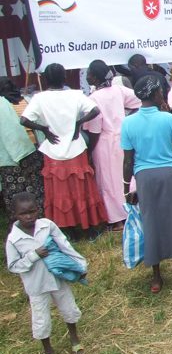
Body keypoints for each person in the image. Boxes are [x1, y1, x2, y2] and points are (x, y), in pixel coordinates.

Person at [122, 76, 172, 293]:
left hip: (144, 177)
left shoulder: (128, 122)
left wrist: (126, 187)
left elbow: (128, 160)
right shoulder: (167, 119)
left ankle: (156, 277)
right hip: (168, 174)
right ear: (157, 94)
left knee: (151, 222)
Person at [20, 63, 108, 233]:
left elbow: (23, 120)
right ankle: (88, 226)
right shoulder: (75, 95)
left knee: (60, 192)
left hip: (53, 150)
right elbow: (95, 110)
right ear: (64, 78)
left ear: (45, 79)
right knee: (82, 189)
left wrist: (44, 129)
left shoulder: (39, 98)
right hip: (76, 148)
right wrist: (79, 123)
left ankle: (67, 229)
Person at [5, 192, 87, 354]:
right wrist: (33, 256)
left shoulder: (47, 225)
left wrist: (80, 265)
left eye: (32, 211)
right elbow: (13, 266)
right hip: (36, 285)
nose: (28, 216)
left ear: (38, 209)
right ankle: (48, 350)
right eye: (23, 213)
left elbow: (65, 245)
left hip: (58, 278)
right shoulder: (14, 239)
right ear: (14, 214)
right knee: (41, 318)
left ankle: (74, 337)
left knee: (69, 308)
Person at [83, 60, 141, 231]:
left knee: (108, 181)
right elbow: (140, 99)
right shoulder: (118, 90)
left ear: (94, 77)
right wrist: (129, 120)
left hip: (104, 142)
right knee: (126, 176)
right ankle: (133, 210)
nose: (86, 76)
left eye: (88, 73)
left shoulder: (93, 98)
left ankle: (116, 220)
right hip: (123, 138)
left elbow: (94, 129)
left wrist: (89, 151)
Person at [0, 79, 43, 215]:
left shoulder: (1, 104)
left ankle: (19, 222)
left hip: (10, 157)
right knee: (36, 188)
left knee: (15, 192)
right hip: (34, 149)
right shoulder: (26, 100)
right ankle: (39, 217)